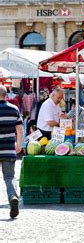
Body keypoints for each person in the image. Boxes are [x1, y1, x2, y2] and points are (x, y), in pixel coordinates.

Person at [0, 85, 23, 219]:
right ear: (6, 95)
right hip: (9, 149)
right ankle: (13, 196)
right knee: (9, 177)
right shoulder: (14, 109)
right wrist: (18, 145)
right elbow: (20, 130)